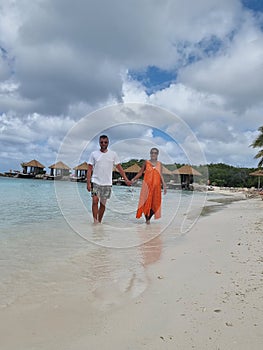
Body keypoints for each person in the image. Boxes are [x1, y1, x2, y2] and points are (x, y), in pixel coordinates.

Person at [87, 135, 131, 224]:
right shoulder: (94, 154)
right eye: (101, 142)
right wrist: (88, 183)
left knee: (103, 204)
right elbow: (89, 169)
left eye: (105, 142)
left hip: (107, 183)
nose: (103, 144)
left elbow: (119, 168)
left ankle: (99, 221)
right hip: (95, 181)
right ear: (99, 143)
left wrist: (126, 179)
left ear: (108, 143)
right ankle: (95, 221)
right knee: (95, 201)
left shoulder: (113, 154)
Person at [131, 148, 167, 224]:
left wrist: (164, 184)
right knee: (145, 203)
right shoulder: (146, 163)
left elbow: (161, 175)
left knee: (156, 204)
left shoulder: (160, 164)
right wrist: (133, 179)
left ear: (157, 154)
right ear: (150, 154)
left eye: (155, 153)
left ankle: (149, 218)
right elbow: (140, 173)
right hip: (146, 186)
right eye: (152, 153)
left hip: (156, 187)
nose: (153, 154)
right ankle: (147, 220)